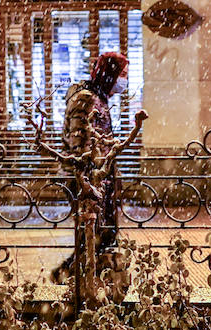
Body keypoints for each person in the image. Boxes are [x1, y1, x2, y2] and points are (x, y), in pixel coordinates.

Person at [52, 51, 130, 283]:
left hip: (97, 179)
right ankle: (74, 279)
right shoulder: (87, 99)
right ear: (109, 75)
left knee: (99, 235)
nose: (124, 80)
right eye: (122, 74)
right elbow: (80, 144)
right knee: (94, 234)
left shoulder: (97, 97)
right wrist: (89, 179)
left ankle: (85, 280)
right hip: (88, 180)